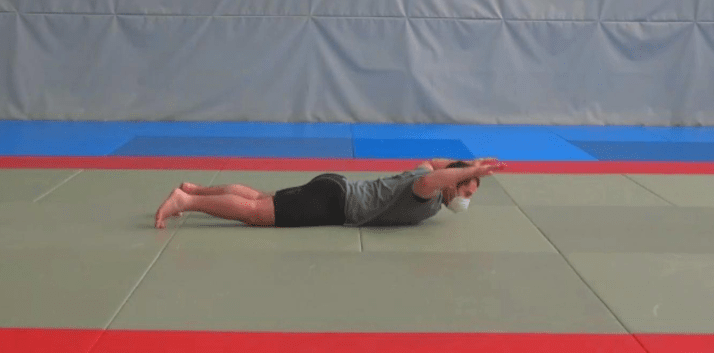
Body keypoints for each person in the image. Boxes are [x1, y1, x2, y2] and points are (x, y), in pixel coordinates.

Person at [153, 158, 506, 229]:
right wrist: (470, 169)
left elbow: (436, 163)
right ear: (451, 183)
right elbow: (439, 174)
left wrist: (470, 167)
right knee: (256, 213)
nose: (466, 199)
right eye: (466, 190)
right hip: (334, 202)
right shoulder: (425, 191)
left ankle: (195, 189)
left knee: (259, 198)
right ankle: (187, 201)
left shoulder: (425, 173)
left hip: (334, 189)